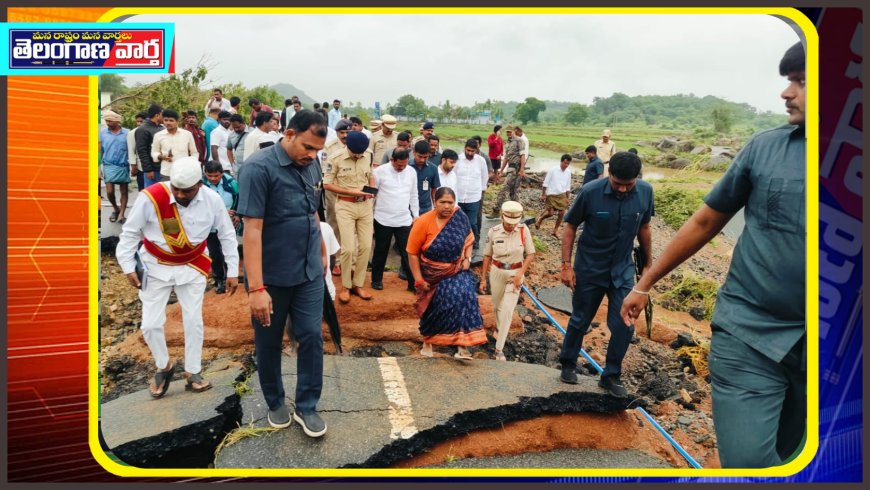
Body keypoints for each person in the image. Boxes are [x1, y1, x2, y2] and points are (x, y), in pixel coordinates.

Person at [621, 42, 807, 468]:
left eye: (800, 81)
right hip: (749, 332)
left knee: (795, 455)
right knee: (749, 463)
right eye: (788, 81)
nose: (786, 93)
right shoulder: (765, 149)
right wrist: (644, 283)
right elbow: (706, 222)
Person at [237, 109, 329, 437]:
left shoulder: (312, 162)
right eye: (307, 146)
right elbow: (252, 230)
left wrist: (321, 252)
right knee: (269, 340)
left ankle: (307, 406)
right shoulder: (258, 169)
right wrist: (256, 289)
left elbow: (312, 211)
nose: (312, 155)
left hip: (308, 272)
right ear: (288, 134)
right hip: (271, 277)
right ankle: (275, 401)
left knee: (312, 336)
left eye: (317, 149)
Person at [116, 157, 239, 397]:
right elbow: (130, 233)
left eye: (188, 191)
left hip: (192, 267)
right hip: (154, 267)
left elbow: (226, 235)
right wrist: (128, 266)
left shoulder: (212, 201)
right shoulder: (151, 198)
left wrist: (232, 270)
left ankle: (193, 371)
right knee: (150, 325)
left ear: (200, 185)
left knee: (193, 321)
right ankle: (164, 366)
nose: (181, 195)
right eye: (177, 190)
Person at [558, 151, 653, 399]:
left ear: (636, 179)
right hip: (589, 268)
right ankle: (568, 363)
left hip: (622, 271)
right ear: (609, 174)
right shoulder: (590, 192)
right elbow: (570, 226)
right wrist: (566, 265)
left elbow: (644, 227)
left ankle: (611, 376)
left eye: (628, 185)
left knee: (625, 324)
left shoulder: (645, 192)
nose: (622, 189)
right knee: (580, 319)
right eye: (618, 184)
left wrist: (648, 265)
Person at [407, 187, 486, 359]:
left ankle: (462, 345)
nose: (447, 206)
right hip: (431, 273)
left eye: (450, 202)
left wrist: (467, 259)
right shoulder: (422, 222)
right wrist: (419, 279)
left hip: (456, 269)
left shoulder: (460, 218)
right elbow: (412, 253)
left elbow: (469, 238)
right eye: (442, 202)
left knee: (465, 295)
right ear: (435, 202)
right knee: (437, 302)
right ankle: (428, 341)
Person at [479, 201, 535, 361]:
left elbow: (530, 254)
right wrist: (483, 279)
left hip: (515, 273)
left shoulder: (524, 230)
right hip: (497, 272)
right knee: (497, 306)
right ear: (502, 217)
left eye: (514, 223)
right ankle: (498, 328)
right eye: (508, 223)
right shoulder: (493, 231)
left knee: (508, 310)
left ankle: (499, 349)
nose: (511, 226)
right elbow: (487, 256)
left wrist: (520, 275)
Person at [324, 131, 376, 303]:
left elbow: (370, 175)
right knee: (348, 249)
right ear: (347, 147)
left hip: (365, 205)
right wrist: (350, 192)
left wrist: (372, 189)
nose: (359, 155)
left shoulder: (367, 154)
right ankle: (346, 286)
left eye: (361, 153)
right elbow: (327, 184)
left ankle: (358, 284)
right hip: (345, 205)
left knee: (366, 247)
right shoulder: (335, 157)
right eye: (356, 153)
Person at [371, 148, 419, 292]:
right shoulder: (379, 172)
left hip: (404, 219)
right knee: (381, 250)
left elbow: (413, 194)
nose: (402, 168)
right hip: (382, 218)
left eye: (404, 165)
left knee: (408, 253)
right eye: (399, 165)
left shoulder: (411, 172)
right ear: (392, 160)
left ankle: (412, 283)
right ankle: (376, 280)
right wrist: (370, 215)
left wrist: (415, 215)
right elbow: (373, 194)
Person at [202, 160, 240, 293]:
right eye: (209, 176)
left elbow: (239, 199)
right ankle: (219, 280)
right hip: (209, 226)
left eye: (216, 176)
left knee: (229, 249)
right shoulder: (201, 185)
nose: (213, 179)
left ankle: (231, 275)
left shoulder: (231, 183)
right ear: (205, 173)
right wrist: (222, 210)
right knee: (215, 253)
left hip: (228, 224)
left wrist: (238, 215)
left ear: (222, 173)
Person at [454, 138, 490, 248]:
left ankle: (474, 242)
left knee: (472, 222)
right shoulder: (458, 159)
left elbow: (485, 177)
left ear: (476, 150)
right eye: (468, 150)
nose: (470, 153)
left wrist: (481, 192)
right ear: (465, 148)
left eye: (472, 151)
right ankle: (460, 243)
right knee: (458, 222)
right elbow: (453, 176)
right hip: (459, 197)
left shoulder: (481, 161)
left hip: (474, 197)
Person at [100, 110, 131, 224]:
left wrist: (132, 165)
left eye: (110, 121)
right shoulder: (102, 133)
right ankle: (115, 208)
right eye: (106, 120)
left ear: (117, 121)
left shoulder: (127, 133)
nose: (108, 123)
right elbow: (100, 151)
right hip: (108, 165)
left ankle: (122, 214)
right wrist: (100, 168)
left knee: (124, 191)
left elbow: (132, 150)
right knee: (109, 192)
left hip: (123, 165)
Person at [151, 109, 199, 180]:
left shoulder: (187, 134)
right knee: (167, 191)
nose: (168, 123)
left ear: (177, 121)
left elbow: (194, 153)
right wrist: (161, 157)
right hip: (167, 172)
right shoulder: (158, 135)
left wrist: (191, 165)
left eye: (171, 120)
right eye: (166, 120)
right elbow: (154, 152)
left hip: (184, 172)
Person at [536, 154, 574, 237]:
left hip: (562, 195)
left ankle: (555, 230)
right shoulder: (553, 170)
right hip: (551, 194)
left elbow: (568, 186)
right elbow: (545, 183)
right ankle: (540, 219)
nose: (566, 165)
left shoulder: (568, 172)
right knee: (551, 213)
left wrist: (568, 198)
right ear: (561, 161)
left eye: (568, 164)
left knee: (561, 213)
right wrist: (543, 194)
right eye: (565, 163)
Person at [493, 125, 526, 215]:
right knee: (513, 193)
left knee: (504, 189)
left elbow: (522, 155)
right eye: (507, 132)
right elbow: (506, 158)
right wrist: (501, 170)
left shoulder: (520, 141)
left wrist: (522, 169)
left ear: (514, 131)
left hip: (516, 168)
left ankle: (496, 209)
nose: (508, 133)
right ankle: (520, 212)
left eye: (510, 131)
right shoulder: (508, 143)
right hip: (510, 168)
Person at [135, 103, 164, 188]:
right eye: (162, 114)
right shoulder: (142, 130)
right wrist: (148, 170)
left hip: (163, 168)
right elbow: (141, 151)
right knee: (152, 196)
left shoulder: (162, 128)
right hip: (152, 170)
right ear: (157, 115)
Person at [410, 140, 441, 215]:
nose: (422, 160)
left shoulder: (433, 168)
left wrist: (435, 205)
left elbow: (434, 189)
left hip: (426, 208)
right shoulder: (407, 167)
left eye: (425, 157)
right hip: (408, 207)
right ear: (414, 153)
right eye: (420, 156)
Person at [127, 111, 147, 190]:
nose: (139, 124)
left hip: (153, 166)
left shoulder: (152, 131)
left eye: (141, 121)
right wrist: (133, 166)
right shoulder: (132, 133)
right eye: (137, 121)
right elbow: (131, 150)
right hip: (140, 166)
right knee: (142, 190)